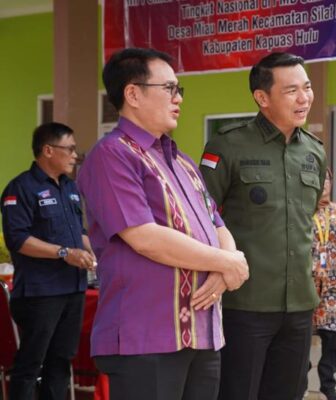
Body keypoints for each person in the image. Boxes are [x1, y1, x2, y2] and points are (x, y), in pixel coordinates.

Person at [77, 48, 249, 400]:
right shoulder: (112, 155)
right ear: (133, 94)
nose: (178, 98)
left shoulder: (182, 161)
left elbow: (217, 224)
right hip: (146, 338)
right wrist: (226, 263)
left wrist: (225, 265)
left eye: (179, 89)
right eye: (169, 88)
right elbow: (144, 237)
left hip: (201, 333)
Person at [199, 52, 326, 400]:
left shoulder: (314, 152)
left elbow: (304, 219)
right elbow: (201, 215)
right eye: (291, 91)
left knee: (289, 393)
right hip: (246, 304)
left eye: (308, 87)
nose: (304, 99)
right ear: (262, 97)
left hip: (299, 305)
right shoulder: (229, 144)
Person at [1, 122, 97, 399]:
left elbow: (78, 233)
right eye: (69, 149)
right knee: (30, 363)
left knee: (61, 360)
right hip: (40, 292)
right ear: (48, 150)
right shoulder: (21, 188)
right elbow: (17, 239)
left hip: (74, 289)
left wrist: (98, 253)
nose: (74, 155)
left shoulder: (70, 187)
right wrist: (64, 253)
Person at [307, 169, 336, 400]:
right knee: (301, 333)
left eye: (328, 179)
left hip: (335, 281)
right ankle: (299, 378)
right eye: (320, 179)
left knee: (331, 333)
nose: (324, 184)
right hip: (307, 280)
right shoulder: (303, 208)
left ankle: (328, 385)